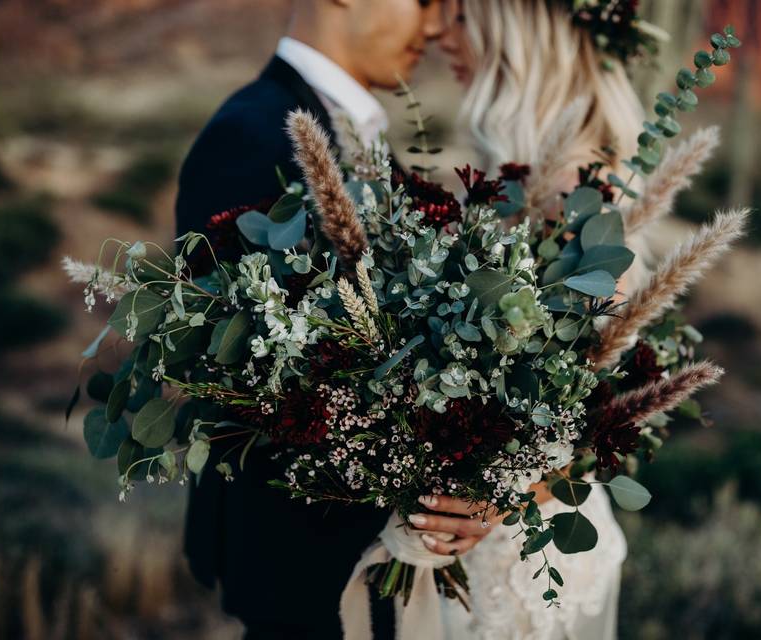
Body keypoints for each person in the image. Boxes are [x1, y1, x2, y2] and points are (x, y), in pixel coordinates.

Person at [174, 2, 497, 638]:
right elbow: (257, 378)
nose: (435, 28)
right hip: (304, 570)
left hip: (373, 567)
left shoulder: (358, 129)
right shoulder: (250, 132)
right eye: (426, 3)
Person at [428, 1, 653, 638]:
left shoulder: (576, 191)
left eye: (464, 15)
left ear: (519, 30)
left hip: (521, 557)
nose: (444, 35)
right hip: (482, 538)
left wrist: (499, 500)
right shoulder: (532, 180)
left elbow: (592, 408)